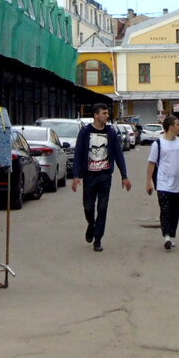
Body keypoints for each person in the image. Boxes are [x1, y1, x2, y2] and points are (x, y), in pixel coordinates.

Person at [70, 103, 131, 251]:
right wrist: (76, 175)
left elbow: (118, 154)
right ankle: (91, 225)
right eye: (104, 113)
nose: (107, 115)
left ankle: (98, 240)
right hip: (89, 177)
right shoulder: (85, 132)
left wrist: (124, 176)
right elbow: (78, 154)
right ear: (96, 115)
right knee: (88, 207)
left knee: (103, 208)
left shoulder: (111, 132)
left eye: (107, 113)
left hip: (105, 176)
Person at [146, 114, 179, 250]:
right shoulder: (158, 144)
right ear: (171, 127)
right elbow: (151, 164)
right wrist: (149, 182)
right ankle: (166, 236)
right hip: (163, 182)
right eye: (178, 124)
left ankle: (171, 235)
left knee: (174, 210)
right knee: (165, 209)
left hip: (178, 183)